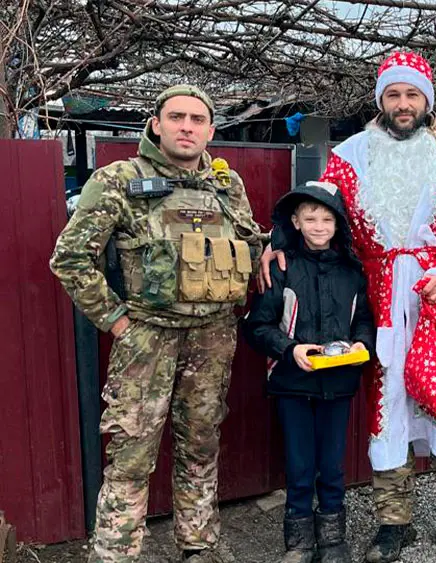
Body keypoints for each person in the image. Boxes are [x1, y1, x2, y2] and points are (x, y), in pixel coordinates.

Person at [260, 51, 436, 563]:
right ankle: (393, 520)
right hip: (377, 295)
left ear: (427, 99)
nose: (402, 105)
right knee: (388, 404)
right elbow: (318, 205)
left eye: (412, 95)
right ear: (380, 99)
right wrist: (277, 237)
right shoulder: (353, 153)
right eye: (393, 95)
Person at [49, 85, 264, 563]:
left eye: (197, 119)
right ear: (156, 123)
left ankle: (198, 546)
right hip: (146, 339)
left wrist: (281, 245)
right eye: (177, 117)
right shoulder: (119, 180)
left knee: (201, 446)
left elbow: (249, 241)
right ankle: (115, 554)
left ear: (211, 130)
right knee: (130, 456)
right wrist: (116, 320)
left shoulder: (226, 186)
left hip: (212, 338)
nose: (186, 126)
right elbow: (69, 258)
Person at [243, 183, 375, 563]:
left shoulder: (353, 271)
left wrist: (361, 345)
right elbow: (257, 326)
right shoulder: (281, 267)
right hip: (292, 385)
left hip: (338, 383)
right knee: (300, 466)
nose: (319, 226)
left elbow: (364, 320)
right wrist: (290, 349)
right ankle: (298, 542)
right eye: (311, 218)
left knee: (331, 466)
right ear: (297, 222)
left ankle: (333, 540)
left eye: (327, 219)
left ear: (338, 225)